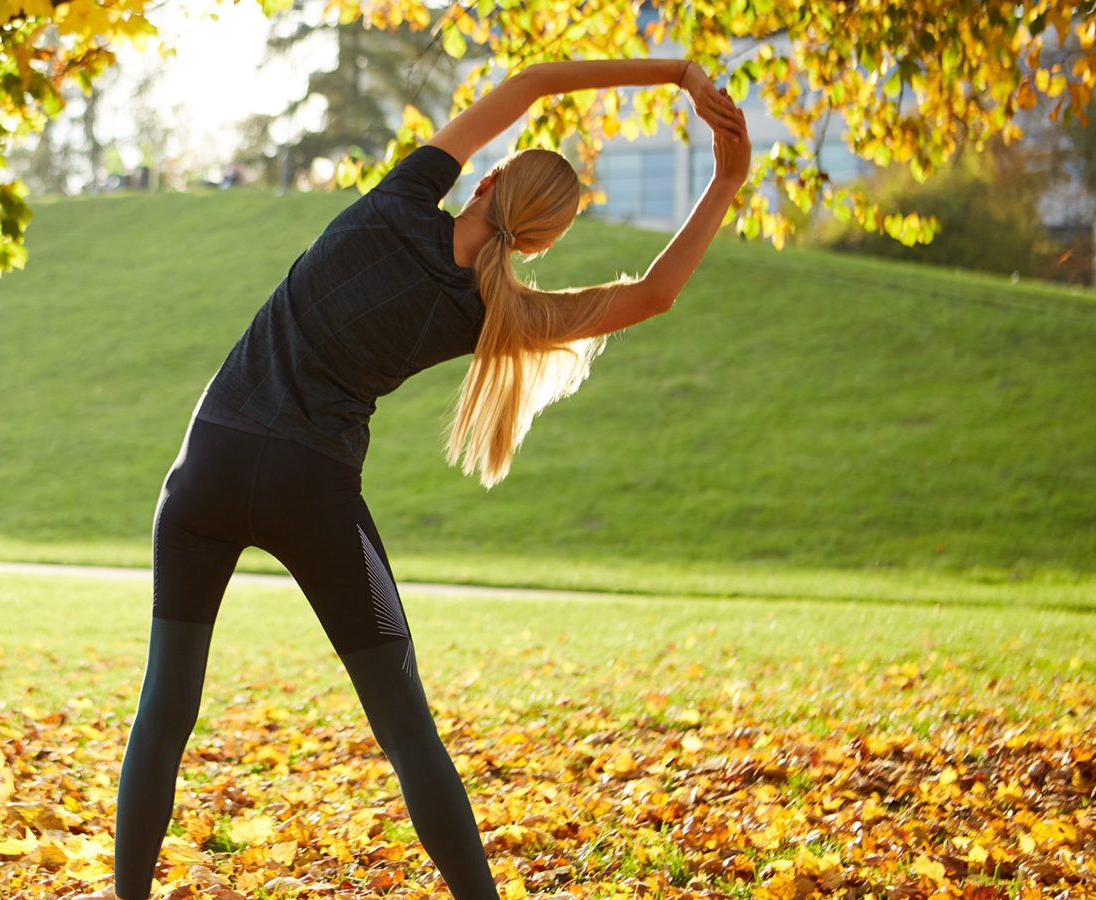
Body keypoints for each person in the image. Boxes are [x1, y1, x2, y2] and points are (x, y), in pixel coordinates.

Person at [93, 58, 751, 900]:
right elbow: (654, 295)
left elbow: (533, 83)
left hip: (208, 466)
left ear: (485, 181)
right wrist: (725, 181)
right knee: (406, 729)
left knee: (164, 708)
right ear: (540, 244)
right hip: (312, 493)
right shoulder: (494, 312)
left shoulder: (401, 197)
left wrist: (677, 73)